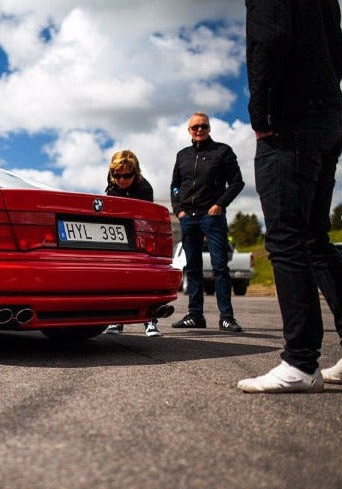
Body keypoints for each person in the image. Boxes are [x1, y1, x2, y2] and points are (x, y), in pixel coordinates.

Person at [237, 0, 342, 393]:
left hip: (289, 121)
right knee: (314, 239)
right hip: (328, 115)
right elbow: (336, 47)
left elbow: (269, 36)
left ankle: (301, 361)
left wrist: (263, 113)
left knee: (287, 237)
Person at [170, 112, 245, 333]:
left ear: (209, 128)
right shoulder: (182, 155)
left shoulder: (222, 152)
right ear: (189, 131)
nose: (199, 130)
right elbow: (175, 186)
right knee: (192, 268)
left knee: (220, 266)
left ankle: (226, 318)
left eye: (203, 126)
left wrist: (219, 205)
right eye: (195, 127)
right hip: (188, 218)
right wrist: (179, 210)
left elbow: (237, 182)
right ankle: (195, 315)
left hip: (211, 217)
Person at [101, 150, 161, 337]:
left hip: (139, 236)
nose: (121, 180)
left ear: (135, 173)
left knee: (145, 279)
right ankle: (116, 320)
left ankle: (150, 321)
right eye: (117, 175)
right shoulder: (112, 186)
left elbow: (145, 221)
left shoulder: (145, 189)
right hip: (117, 237)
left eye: (126, 176)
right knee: (116, 279)